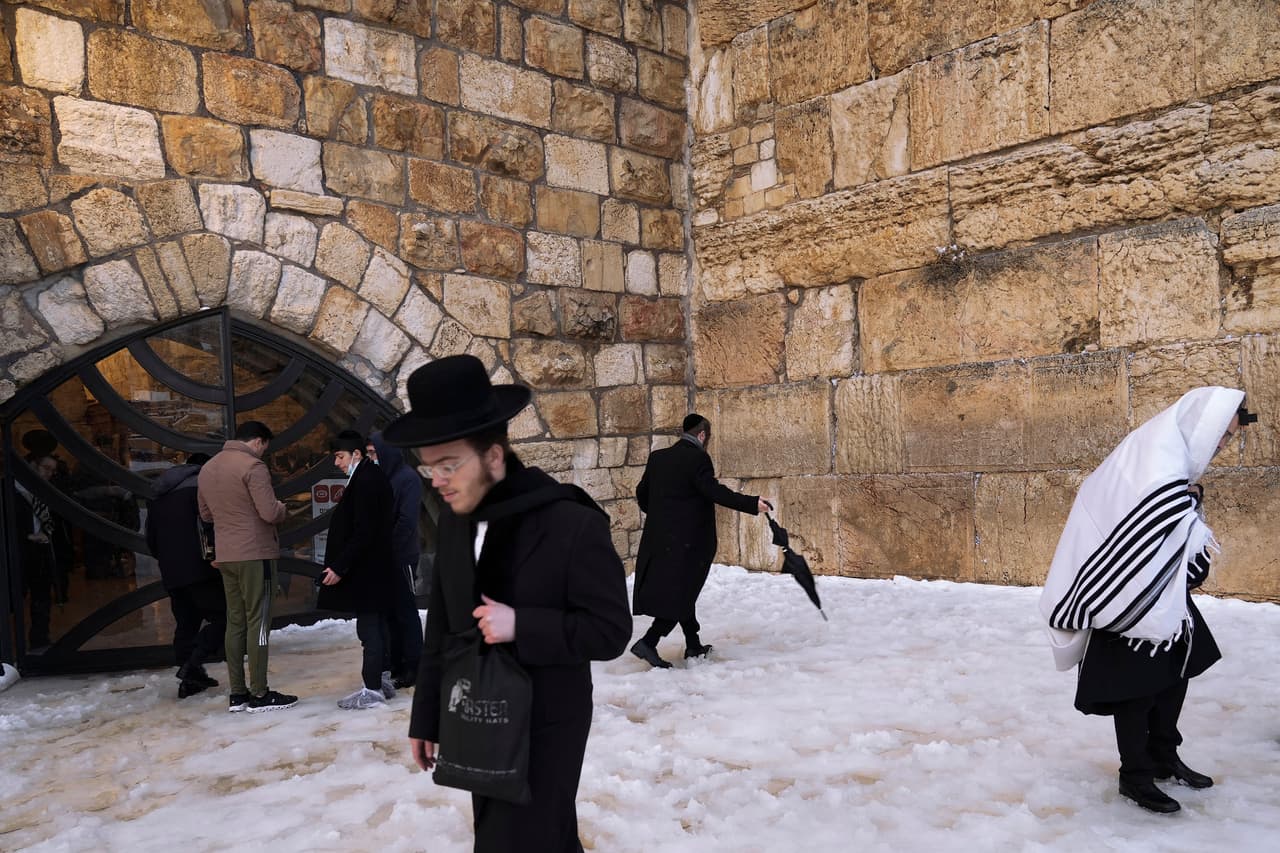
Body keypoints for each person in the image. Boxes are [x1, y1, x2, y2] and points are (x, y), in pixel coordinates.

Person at [384, 354, 631, 853]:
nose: (437, 480)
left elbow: (609, 631)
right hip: (478, 719)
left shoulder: (570, 524)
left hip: (547, 724)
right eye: (429, 467)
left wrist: (522, 624)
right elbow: (443, 629)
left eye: (449, 464)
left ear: (494, 456)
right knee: (545, 838)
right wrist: (426, 715)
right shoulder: (456, 519)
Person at [1040, 387, 1254, 814]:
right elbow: (1136, 518)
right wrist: (1184, 511)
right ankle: (1134, 776)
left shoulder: (1171, 457)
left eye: (1228, 439)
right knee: (1135, 690)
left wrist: (1189, 509)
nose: (1221, 447)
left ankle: (1163, 756)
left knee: (1175, 676)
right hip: (1125, 598)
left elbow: (1173, 523)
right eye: (1221, 436)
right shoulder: (1156, 462)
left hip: (1161, 596)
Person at [630, 414, 771, 668]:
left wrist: (663, 516)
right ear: (703, 435)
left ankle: (693, 644)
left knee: (684, 589)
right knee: (681, 594)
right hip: (689, 543)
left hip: (660, 540)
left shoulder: (658, 458)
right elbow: (714, 492)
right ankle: (648, 643)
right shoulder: (697, 458)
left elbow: (642, 494)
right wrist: (752, 503)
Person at [197, 420, 297, 713]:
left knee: (236, 621)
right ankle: (260, 693)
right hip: (255, 553)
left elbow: (205, 513)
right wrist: (282, 507)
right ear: (259, 441)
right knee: (260, 622)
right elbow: (269, 512)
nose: (264, 453)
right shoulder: (252, 467)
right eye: (265, 447)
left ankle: (238, 694)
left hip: (227, 555)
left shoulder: (209, 468)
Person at [318, 429, 397, 710]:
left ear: (356, 454)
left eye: (340, 456)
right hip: (373, 567)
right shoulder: (368, 477)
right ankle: (381, 680)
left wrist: (340, 566)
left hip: (368, 569)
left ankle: (373, 688)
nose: (337, 462)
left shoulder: (365, 480)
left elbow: (364, 531)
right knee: (376, 625)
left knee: (370, 628)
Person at [145, 452, 226, 699]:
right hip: (199, 567)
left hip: (171, 570)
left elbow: (151, 538)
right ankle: (193, 663)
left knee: (186, 623)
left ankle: (190, 679)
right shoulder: (200, 488)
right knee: (226, 617)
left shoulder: (160, 496)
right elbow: (212, 525)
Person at [369, 431, 424, 689]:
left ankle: (414, 664)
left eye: (374, 453)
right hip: (383, 557)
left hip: (400, 556)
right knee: (390, 614)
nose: (371, 458)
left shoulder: (408, 479)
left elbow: (406, 521)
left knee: (405, 612)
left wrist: (388, 548)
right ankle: (397, 663)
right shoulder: (383, 478)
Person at [14, 453, 70, 650]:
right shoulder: (10, 490)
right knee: (15, 597)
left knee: (42, 596)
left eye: (53, 471)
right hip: (18, 551)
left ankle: (40, 639)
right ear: (32, 465)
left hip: (41, 550)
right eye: (46, 468)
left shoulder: (45, 491)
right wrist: (26, 536)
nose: (49, 474)